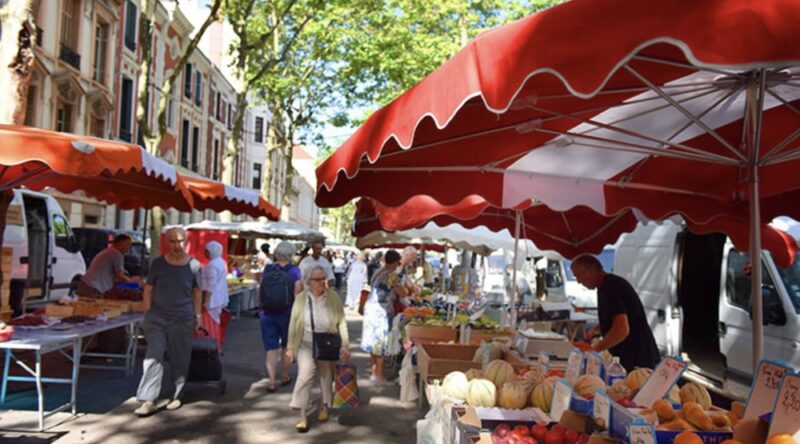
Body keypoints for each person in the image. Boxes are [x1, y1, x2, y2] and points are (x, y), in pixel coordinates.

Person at [134, 227, 203, 416]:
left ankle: (176, 395)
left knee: (180, 357)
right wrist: (147, 313)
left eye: (180, 241)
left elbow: (197, 293)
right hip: (157, 317)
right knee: (153, 356)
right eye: (172, 241)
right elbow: (148, 289)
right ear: (166, 243)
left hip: (183, 318)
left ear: (186, 241)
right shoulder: (158, 264)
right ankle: (148, 399)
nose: (176, 245)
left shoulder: (195, 266)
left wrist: (198, 317)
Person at [286, 265, 349, 433]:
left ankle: (324, 405)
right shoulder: (301, 299)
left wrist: (345, 344)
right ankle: (302, 415)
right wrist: (290, 347)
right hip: (306, 343)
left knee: (326, 377)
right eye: (318, 279)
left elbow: (341, 321)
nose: (322, 282)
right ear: (309, 281)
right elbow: (293, 324)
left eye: (324, 278)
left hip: (327, 343)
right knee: (305, 376)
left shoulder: (333, 297)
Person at [570, 254, 659, 371]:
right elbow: (615, 318)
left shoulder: (611, 287)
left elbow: (622, 329)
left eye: (578, 277)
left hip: (637, 359)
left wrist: (594, 349)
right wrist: (597, 330)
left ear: (590, 271)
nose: (578, 282)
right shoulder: (606, 286)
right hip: (631, 356)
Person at [259, 241, 303, 392]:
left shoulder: (268, 269)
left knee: (271, 348)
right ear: (291, 254)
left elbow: (261, 289)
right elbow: (297, 294)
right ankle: (284, 376)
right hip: (287, 314)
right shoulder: (294, 271)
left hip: (267, 313)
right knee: (286, 346)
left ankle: (271, 381)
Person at [361, 250, 406, 385]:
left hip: (371, 309)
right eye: (398, 262)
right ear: (393, 262)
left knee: (372, 343)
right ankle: (380, 377)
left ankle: (374, 372)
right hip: (381, 311)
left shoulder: (378, 271)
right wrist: (409, 290)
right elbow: (401, 292)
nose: (398, 265)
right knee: (380, 344)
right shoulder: (391, 275)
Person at [201, 241, 229, 349]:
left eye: (206, 251)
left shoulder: (212, 265)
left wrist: (206, 300)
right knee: (214, 324)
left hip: (212, 300)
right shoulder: (220, 262)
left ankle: (209, 348)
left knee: (208, 325)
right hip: (218, 299)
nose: (205, 253)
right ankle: (215, 346)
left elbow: (210, 285)